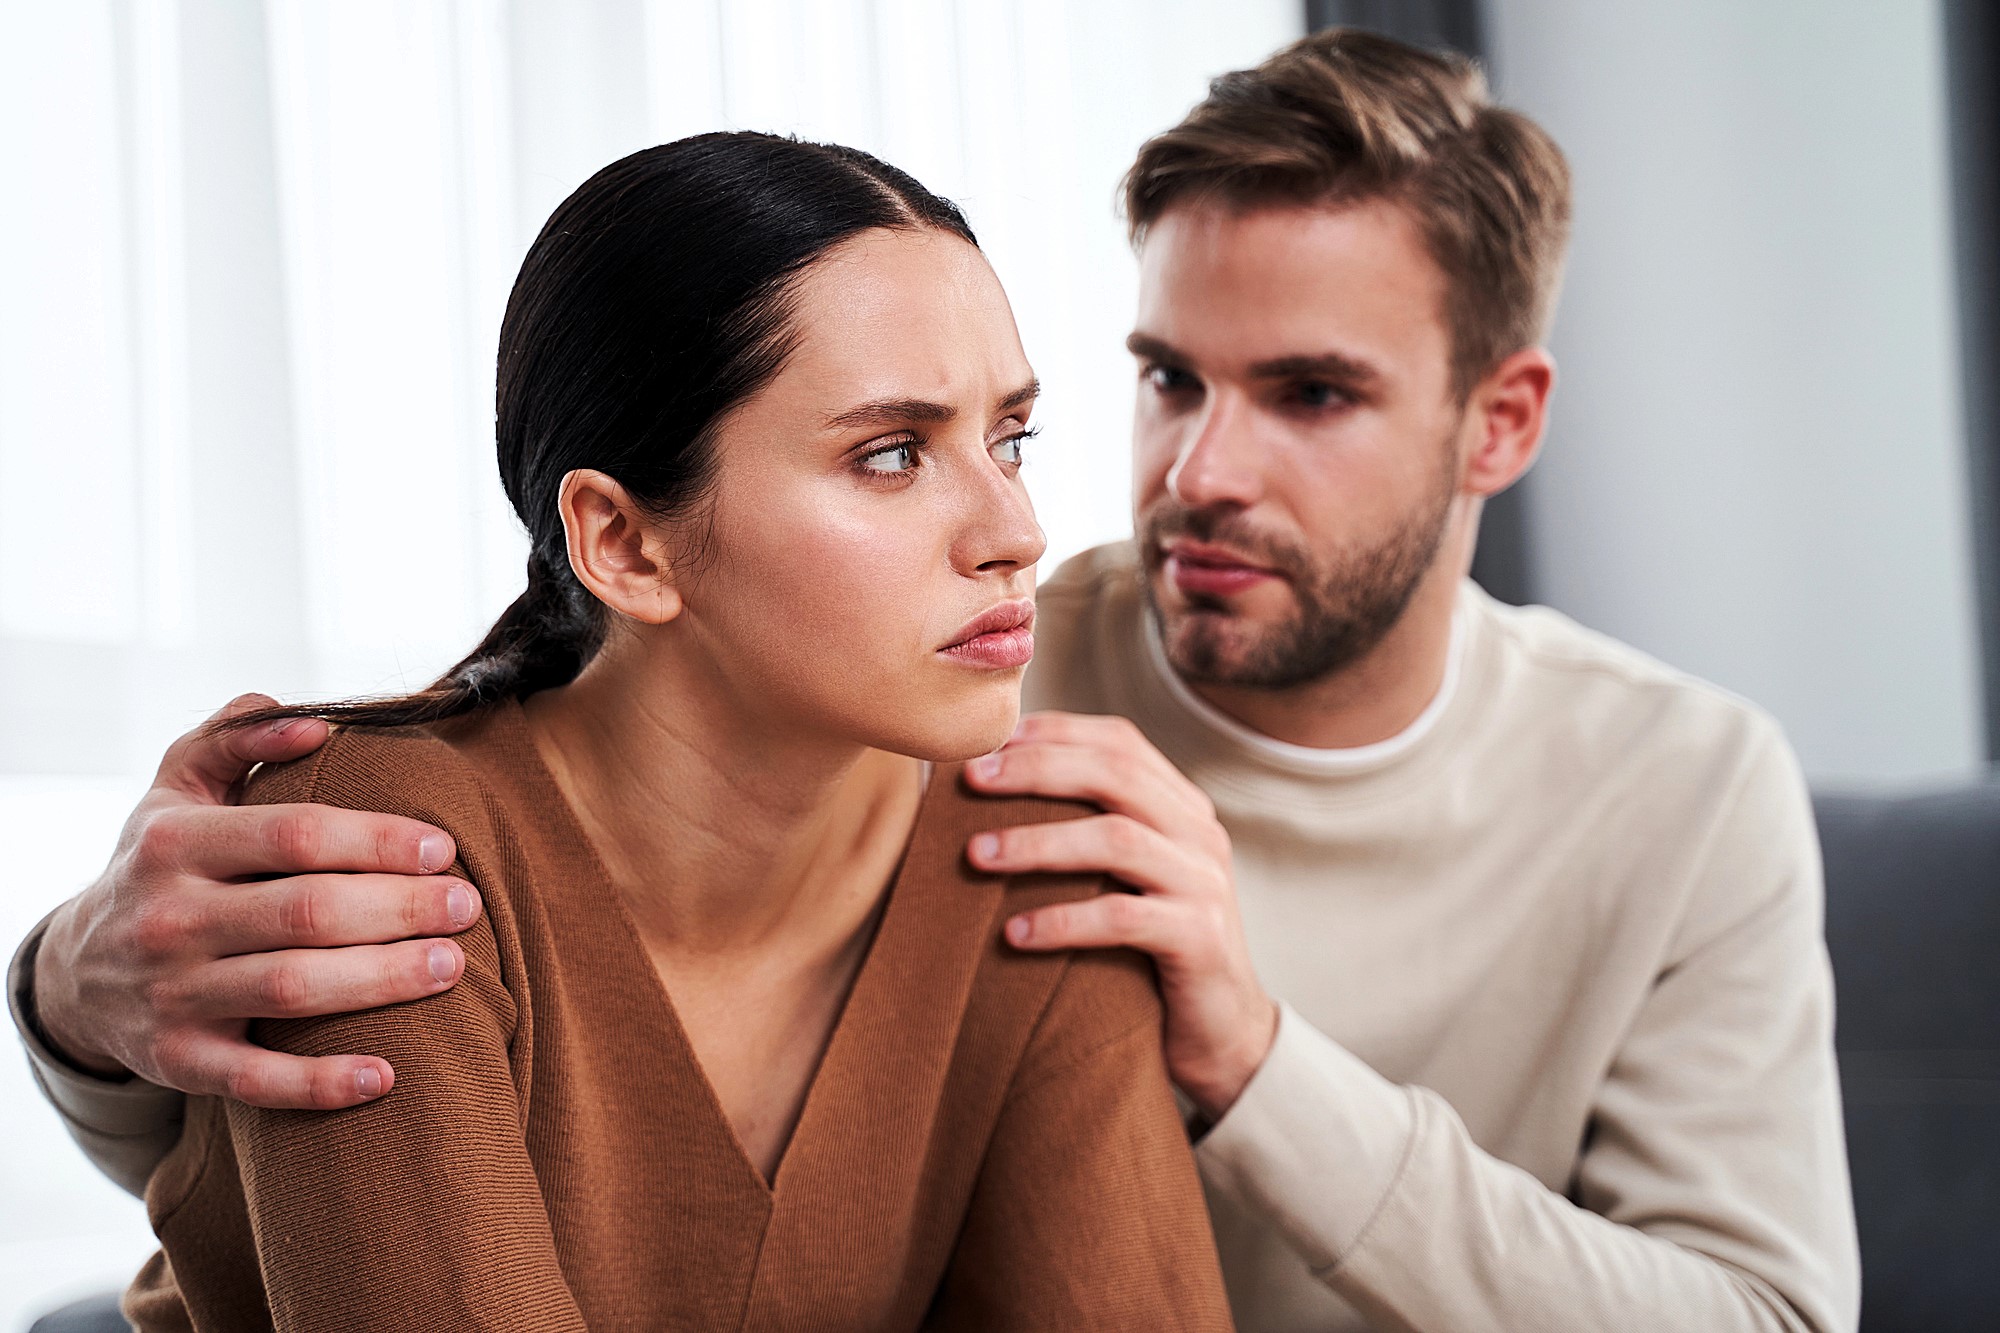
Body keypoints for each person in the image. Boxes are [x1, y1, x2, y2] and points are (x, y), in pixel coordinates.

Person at [12, 28, 1859, 1333]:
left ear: (1499, 423)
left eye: (1311, 392)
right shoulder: (957, 679)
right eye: (1157, 380)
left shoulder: (1665, 787)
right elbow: (560, 745)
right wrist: (69, 990)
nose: (1173, 478)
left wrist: (1257, 1059)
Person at [41, 131, 1234, 1332]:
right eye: (889, 454)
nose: (1015, 528)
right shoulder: (383, 855)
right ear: (621, 541)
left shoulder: (1045, 864)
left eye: (1009, 439)